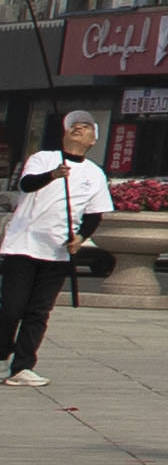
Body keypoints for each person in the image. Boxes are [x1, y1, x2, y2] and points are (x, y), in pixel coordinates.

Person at [3, 113, 111, 382]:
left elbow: (94, 215)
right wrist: (53, 174)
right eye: (73, 125)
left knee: (38, 312)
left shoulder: (95, 174)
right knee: (12, 308)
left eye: (85, 127)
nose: (78, 128)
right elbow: (27, 184)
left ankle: (22, 367)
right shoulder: (43, 158)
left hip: (57, 251)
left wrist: (80, 237)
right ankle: (2, 352)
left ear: (93, 140)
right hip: (22, 244)